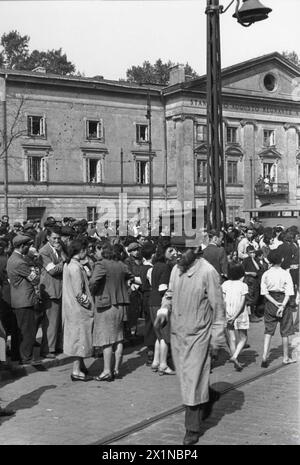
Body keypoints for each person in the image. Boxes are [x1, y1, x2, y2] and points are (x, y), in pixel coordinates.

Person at [154, 247, 226, 445]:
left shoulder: (208, 272)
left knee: (192, 382)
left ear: (196, 251)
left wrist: (216, 340)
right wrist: (162, 312)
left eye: (184, 251)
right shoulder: (177, 269)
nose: (179, 255)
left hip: (199, 335)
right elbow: (169, 294)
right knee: (187, 379)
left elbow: (218, 309)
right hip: (178, 334)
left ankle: (192, 429)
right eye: (177, 250)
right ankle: (208, 396)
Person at [89, 243, 136, 381]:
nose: (96, 253)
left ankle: (106, 371)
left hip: (106, 305)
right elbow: (131, 276)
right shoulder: (121, 264)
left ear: (103, 251)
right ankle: (116, 369)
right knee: (118, 338)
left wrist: (94, 292)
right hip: (121, 305)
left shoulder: (101, 264)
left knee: (107, 340)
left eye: (97, 249)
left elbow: (93, 281)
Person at [62, 238, 94, 381]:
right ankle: (76, 370)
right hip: (78, 310)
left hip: (71, 308)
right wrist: (90, 305)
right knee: (79, 339)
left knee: (78, 338)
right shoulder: (75, 268)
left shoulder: (70, 264)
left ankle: (80, 366)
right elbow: (78, 293)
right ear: (81, 251)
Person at [6, 235, 40, 365]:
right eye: (28, 246)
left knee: (17, 331)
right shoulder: (20, 262)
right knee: (27, 331)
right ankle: (26, 357)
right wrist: (35, 271)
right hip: (24, 300)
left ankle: (16, 355)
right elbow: (35, 279)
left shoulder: (12, 259)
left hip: (17, 300)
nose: (29, 248)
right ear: (22, 246)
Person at [260, 249, 296, 367]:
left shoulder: (266, 274)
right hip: (283, 302)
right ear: (281, 260)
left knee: (268, 330)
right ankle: (286, 357)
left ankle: (265, 355)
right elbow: (289, 292)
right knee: (285, 331)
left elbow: (264, 292)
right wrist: (282, 305)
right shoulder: (285, 273)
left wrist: (275, 303)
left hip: (270, 302)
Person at [148, 242, 177, 376]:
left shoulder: (155, 266)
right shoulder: (166, 267)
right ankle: (163, 364)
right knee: (165, 335)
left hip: (151, 302)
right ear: (164, 253)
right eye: (170, 251)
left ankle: (156, 361)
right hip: (161, 303)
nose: (174, 253)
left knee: (158, 334)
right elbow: (163, 288)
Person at [38, 226, 66, 359]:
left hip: (60, 289)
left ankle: (57, 345)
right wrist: (63, 261)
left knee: (59, 320)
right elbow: (53, 270)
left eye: (59, 238)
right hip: (50, 290)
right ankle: (47, 349)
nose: (57, 240)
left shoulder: (59, 249)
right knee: (50, 321)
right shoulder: (44, 251)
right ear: (48, 237)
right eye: (54, 238)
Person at [222, 264, 249, 371]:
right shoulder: (243, 285)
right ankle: (235, 356)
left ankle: (235, 358)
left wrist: (227, 314)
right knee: (243, 337)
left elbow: (223, 301)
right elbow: (242, 303)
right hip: (240, 314)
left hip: (228, 313)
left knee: (231, 338)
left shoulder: (224, 284)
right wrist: (235, 316)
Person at [242, 245, 262, 323]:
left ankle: (253, 314)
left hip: (256, 280)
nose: (252, 254)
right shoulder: (245, 260)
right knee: (250, 299)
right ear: (247, 253)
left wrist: (253, 259)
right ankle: (251, 316)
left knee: (255, 298)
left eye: (253, 252)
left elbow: (258, 268)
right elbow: (242, 271)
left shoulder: (255, 260)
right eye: (250, 253)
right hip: (249, 280)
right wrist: (250, 273)